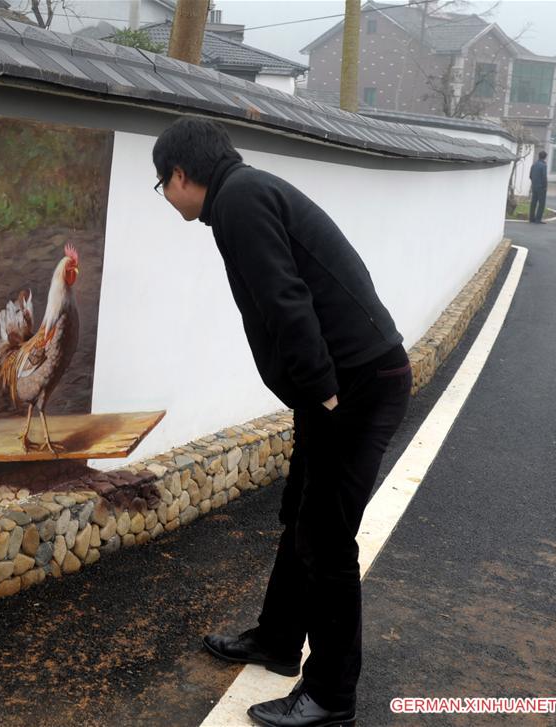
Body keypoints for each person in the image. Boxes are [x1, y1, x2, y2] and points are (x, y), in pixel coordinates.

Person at [152, 117, 410, 727]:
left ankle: (331, 697)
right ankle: (277, 639)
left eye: (162, 185)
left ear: (182, 175)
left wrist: (321, 391)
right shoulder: (246, 193)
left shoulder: (240, 201)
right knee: (302, 513)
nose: (165, 197)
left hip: (357, 387)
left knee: (326, 541)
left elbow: (285, 300)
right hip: (347, 384)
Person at [528, 151, 548, 223]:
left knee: (533, 202)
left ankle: (531, 218)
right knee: (541, 203)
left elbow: (530, 175)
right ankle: (538, 219)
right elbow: (544, 177)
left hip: (534, 186)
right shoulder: (543, 165)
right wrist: (545, 186)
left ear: (538, 156)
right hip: (541, 187)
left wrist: (534, 182)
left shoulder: (534, 165)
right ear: (545, 157)